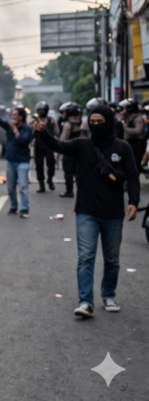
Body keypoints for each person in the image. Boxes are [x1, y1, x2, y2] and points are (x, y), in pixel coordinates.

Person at [33, 104, 140, 317]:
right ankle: (85, 302)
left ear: (109, 122)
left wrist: (134, 201)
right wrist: (43, 132)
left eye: (101, 122)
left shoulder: (122, 148)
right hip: (86, 211)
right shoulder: (81, 145)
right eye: (93, 122)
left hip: (113, 213)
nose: (96, 125)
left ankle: (108, 295)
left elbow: (132, 176)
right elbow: (58, 145)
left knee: (112, 259)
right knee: (85, 257)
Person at [0, 104, 32, 218]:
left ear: (20, 117)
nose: (12, 117)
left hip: (23, 161)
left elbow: (23, 141)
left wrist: (14, 130)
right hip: (11, 160)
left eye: (14, 115)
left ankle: (24, 209)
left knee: (23, 186)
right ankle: (13, 207)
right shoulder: (9, 126)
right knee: (10, 187)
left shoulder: (27, 129)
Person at [58, 102, 85, 198]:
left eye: (64, 112)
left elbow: (63, 139)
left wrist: (58, 152)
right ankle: (82, 192)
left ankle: (69, 191)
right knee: (79, 173)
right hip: (80, 152)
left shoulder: (67, 125)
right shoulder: (82, 123)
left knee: (68, 173)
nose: (62, 114)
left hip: (69, 152)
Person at [31, 101, 58, 193]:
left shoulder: (51, 120)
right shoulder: (34, 121)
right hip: (38, 145)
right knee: (39, 165)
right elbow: (30, 134)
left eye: (42, 110)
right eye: (39, 110)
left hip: (49, 145)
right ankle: (41, 185)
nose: (40, 112)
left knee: (51, 163)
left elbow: (57, 132)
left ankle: (50, 179)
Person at [120, 99, 145, 173]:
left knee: (136, 164)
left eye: (126, 108)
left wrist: (126, 129)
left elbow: (139, 130)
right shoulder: (130, 117)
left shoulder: (138, 118)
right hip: (131, 143)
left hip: (136, 144)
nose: (124, 110)